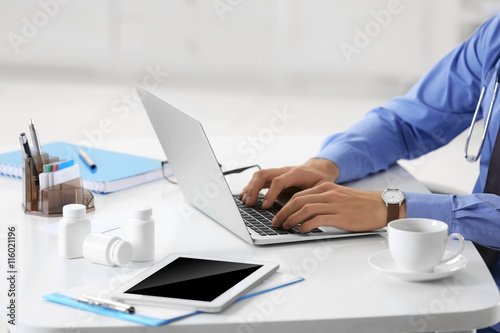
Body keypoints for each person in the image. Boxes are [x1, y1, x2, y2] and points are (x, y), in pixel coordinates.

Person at [240, 12, 500, 333]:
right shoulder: (496, 34)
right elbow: (407, 121)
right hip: (474, 282)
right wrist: (325, 165)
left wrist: (394, 207)